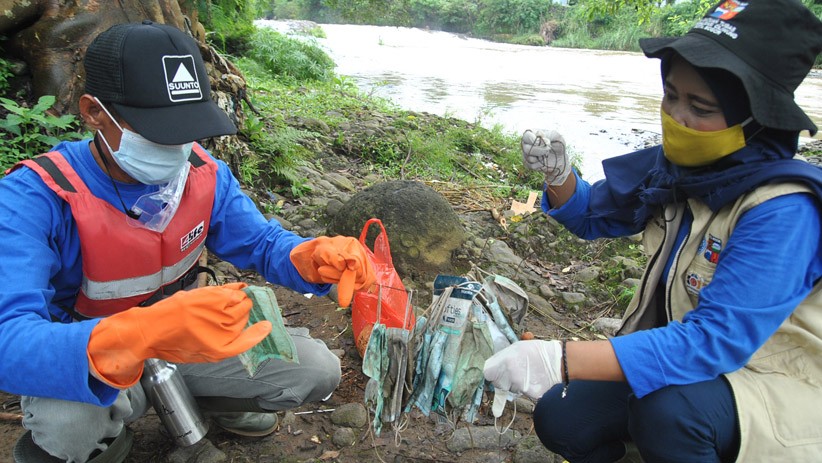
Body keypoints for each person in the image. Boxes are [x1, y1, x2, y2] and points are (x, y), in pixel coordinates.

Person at [0, 21, 375, 463]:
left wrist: (306, 256)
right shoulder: (33, 197)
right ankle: (104, 435)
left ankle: (208, 401)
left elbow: (261, 242)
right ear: (93, 112)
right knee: (69, 430)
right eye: (156, 128)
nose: (176, 146)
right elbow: (9, 338)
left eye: (185, 127)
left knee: (315, 370)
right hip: (93, 353)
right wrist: (137, 333)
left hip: (191, 342)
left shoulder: (203, 173)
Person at [483, 1, 822, 461]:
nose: (677, 117)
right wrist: (558, 175)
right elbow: (590, 215)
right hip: (693, 371)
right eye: (671, 95)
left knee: (668, 414)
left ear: (758, 118)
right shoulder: (680, 172)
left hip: (778, 389)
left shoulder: (783, 210)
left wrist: (560, 358)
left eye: (700, 107)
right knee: (563, 416)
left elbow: (714, 341)